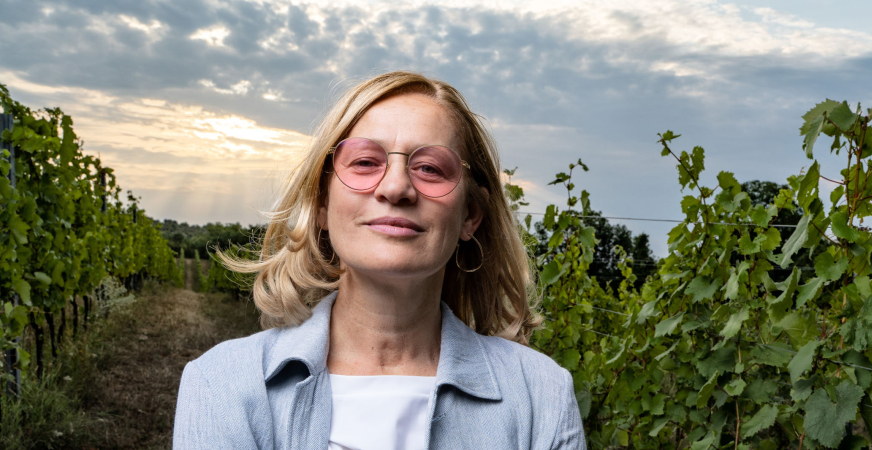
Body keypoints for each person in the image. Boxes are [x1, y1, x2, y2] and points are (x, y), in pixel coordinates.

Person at [172, 71, 586, 449]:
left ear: (470, 216)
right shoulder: (219, 383)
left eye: (430, 168)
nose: (396, 187)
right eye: (366, 162)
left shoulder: (542, 395)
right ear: (321, 203)